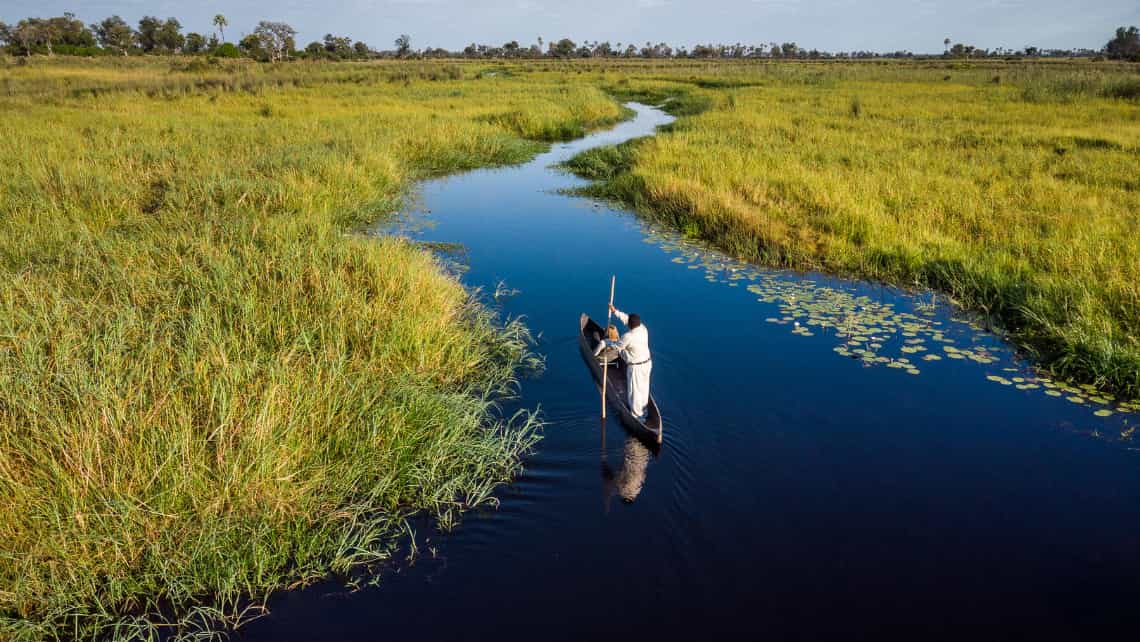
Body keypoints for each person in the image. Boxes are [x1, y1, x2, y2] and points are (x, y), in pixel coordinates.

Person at [607, 303, 652, 419]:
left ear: (630, 326)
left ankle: (638, 417)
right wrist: (615, 311)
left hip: (636, 367)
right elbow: (627, 319)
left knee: (635, 391)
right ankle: (644, 411)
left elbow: (617, 347)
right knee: (644, 388)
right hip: (647, 364)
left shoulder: (628, 336)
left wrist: (609, 341)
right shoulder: (643, 328)